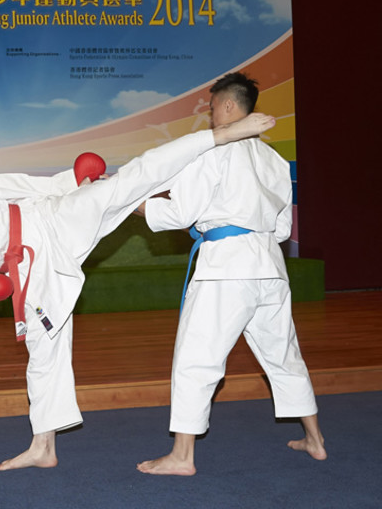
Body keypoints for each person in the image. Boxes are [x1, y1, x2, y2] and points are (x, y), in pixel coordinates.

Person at [0, 111, 275, 471]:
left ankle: (218, 138)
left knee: (127, 181)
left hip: (51, 221)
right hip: (28, 274)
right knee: (44, 353)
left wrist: (73, 183)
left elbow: (20, 184)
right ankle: (42, 447)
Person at [134, 73, 326, 476]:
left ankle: (182, 457)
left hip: (225, 268)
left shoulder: (210, 153)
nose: (208, 116)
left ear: (227, 106)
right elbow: (283, 230)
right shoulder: (274, 160)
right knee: (284, 355)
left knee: (196, 359)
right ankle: (315, 438)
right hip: (269, 269)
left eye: (210, 107)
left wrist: (131, 204)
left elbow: (180, 213)